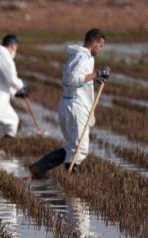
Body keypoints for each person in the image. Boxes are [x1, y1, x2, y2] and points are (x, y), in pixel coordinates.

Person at [29, 29, 109, 176]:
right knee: (80, 148)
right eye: (101, 45)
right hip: (75, 106)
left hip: (70, 104)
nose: (101, 49)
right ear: (93, 42)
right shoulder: (81, 57)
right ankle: (70, 176)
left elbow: (80, 77)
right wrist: (96, 74)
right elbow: (72, 80)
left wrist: (94, 78)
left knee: (72, 147)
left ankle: (38, 168)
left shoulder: (83, 57)